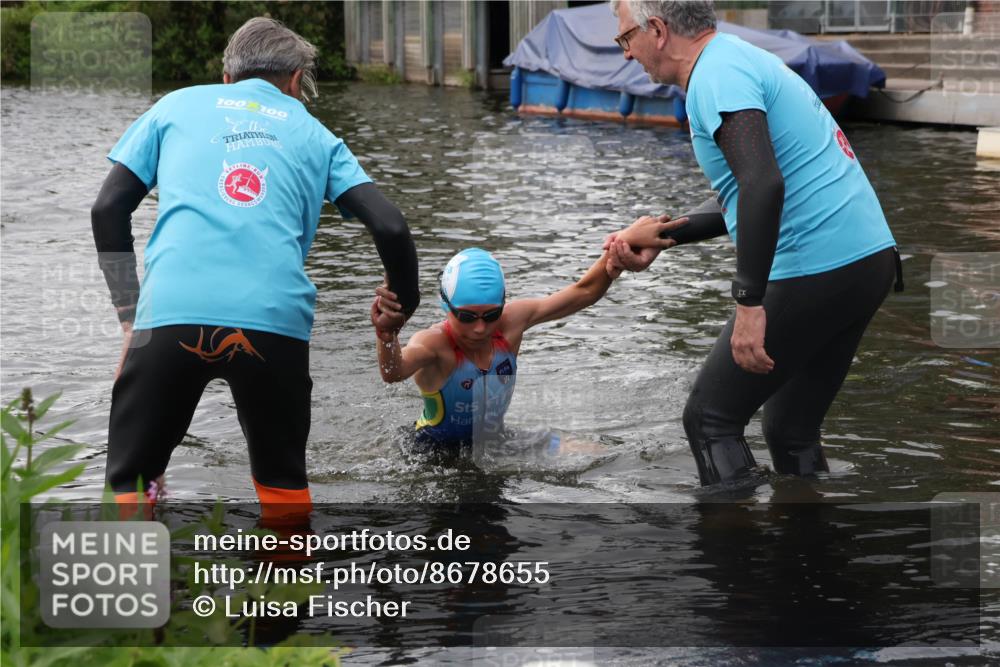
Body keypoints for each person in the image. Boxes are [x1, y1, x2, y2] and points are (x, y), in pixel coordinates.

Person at [92, 18, 419, 515]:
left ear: (228, 77)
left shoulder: (175, 106)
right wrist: (402, 304)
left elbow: (108, 209)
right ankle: (284, 587)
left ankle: (143, 586)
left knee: (132, 479)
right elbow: (391, 227)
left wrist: (129, 314)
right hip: (274, 321)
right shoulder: (316, 133)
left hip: (172, 312)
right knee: (282, 482)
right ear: (294, 82)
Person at [607, 0, 901, 486]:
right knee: (791, 429)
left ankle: (733, 555)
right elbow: (749, 190)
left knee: (710, 420)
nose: (625, 53)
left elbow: (763, 184)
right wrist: (664, 235)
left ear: (656, 30)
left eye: (625, 39)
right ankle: (805, 551)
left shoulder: (715, 76)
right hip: (866, 263)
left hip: (816, 265)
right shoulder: (734, 57)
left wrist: (749, 303)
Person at [369, 243, 682, 456]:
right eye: (467, 316)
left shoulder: (511, 323)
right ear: (446, 306)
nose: (480, 328)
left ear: (502, 306)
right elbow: (393, 372)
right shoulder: (433, 343)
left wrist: (612, 259)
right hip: (431, 451)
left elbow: (582, 292)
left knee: (602, 454)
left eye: (490, 314)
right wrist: (387, 336)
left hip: (494, 441)